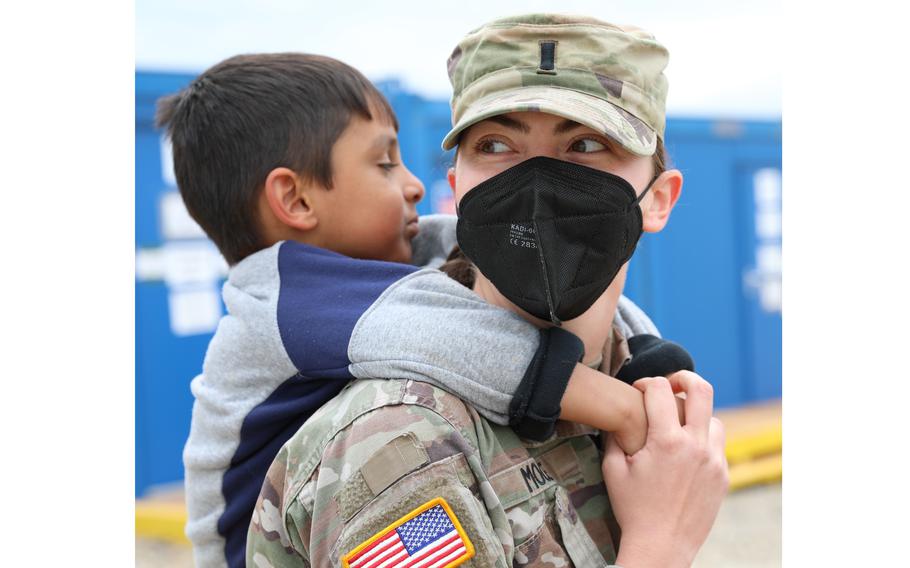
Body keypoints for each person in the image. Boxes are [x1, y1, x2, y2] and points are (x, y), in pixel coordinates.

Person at [156, 54, 692, 567]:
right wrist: (627, 410)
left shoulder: (376, 275)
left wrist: (645, 351)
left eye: (586, 145)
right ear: (296, 202)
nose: (414, 185)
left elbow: (469, 251)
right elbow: (485, 351)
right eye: (385, 164)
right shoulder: (288, 301)